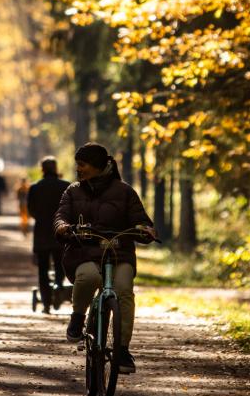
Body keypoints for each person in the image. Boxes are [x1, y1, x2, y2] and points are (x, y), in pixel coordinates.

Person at [54, 142, 156, 374]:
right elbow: (61, 216)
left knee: (123, 292)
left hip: (119, 254)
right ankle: (78, 317)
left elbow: (141, 219)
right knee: (88, 277)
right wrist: (63, 227)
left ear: (98, 166)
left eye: (83, 165)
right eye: (77, 165)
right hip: (84, 252)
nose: (78, 169)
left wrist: (145, 229)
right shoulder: (73, 191)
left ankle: (122, 351)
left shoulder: (125, 191)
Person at [27, 157, 70, 314]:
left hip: (42, 234)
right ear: (55, 168)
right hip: (61, 233)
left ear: (42, 169)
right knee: (60, 265)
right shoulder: (66, 187)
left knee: (42, 270)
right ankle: (58, 286)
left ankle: (46, 303)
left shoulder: (35, 188)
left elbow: (31, 210)